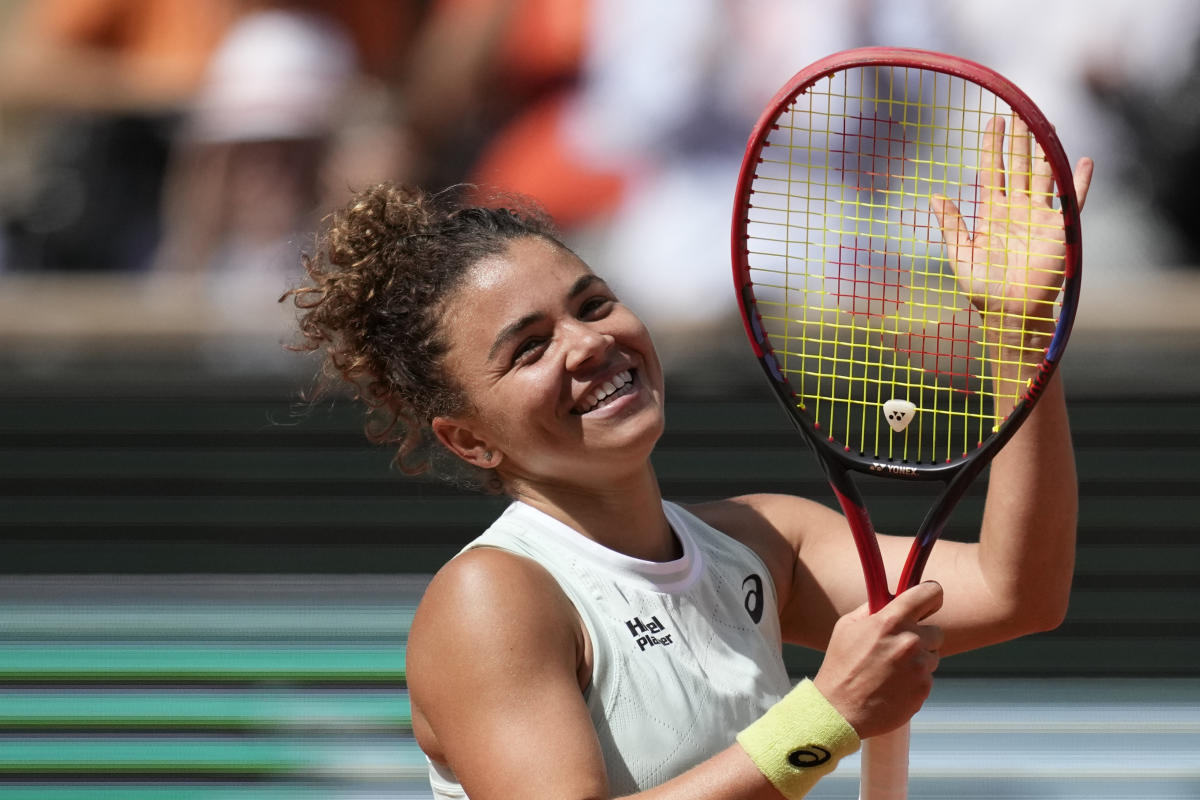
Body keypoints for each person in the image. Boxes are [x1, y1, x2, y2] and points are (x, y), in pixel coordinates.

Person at [282, 132, 1093, 797]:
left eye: (593, 303)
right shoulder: (491, 599)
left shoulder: (762, 539)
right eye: (529, 349)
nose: (590, 342)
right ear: (468, 439)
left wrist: (1020, 339)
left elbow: (1021, 592)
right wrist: (827, 716)